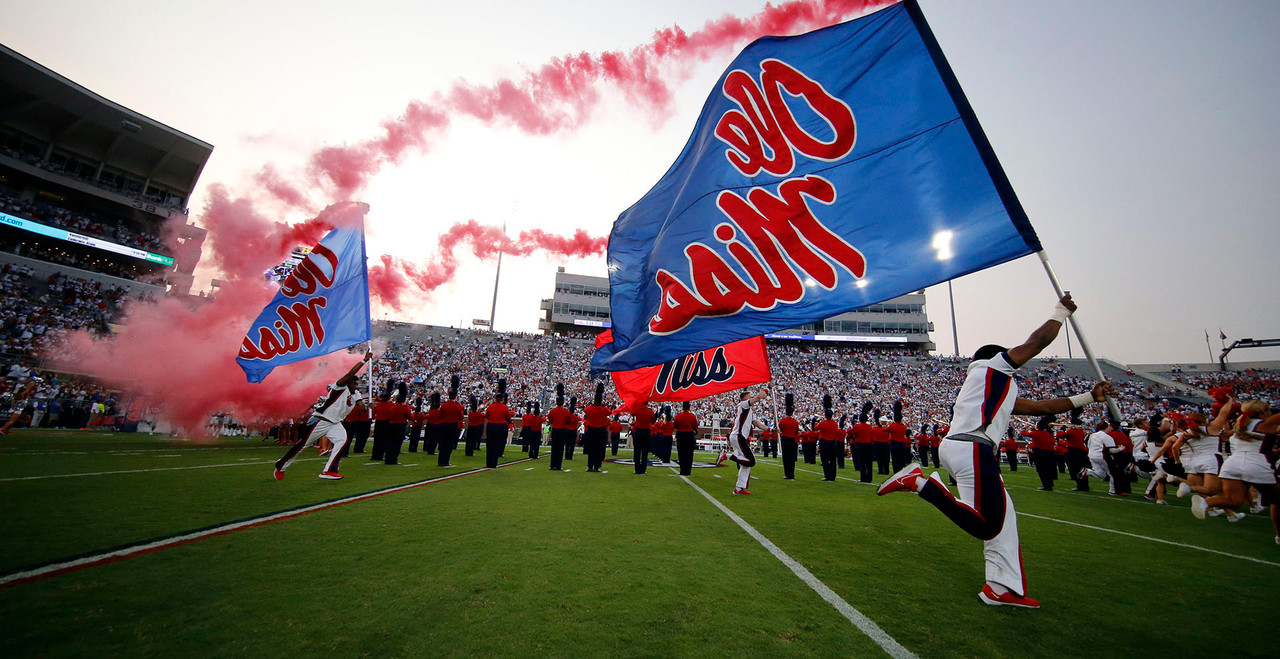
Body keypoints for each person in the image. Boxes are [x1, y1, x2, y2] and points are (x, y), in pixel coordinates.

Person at [877, 294, 1115, 608]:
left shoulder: (987, 385)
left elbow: (1040, 407)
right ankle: (920, 483)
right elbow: (1037, 342)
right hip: (973, 447)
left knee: (1005, 521)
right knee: (989, 524)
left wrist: (1089, 397)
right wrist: (1061, 312)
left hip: (965, 447)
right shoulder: (993, 368)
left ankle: (1002, 588)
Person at [274, 351, 372, 480]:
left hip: (335, 423)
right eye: (354, 383)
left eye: (356, 384)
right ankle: (281, 465)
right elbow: (349, 375)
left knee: (342, 441)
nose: (356, 386)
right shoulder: (339, 387)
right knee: (303, 445)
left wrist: (367, 406)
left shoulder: (355, 394)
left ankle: (328, 470)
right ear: (348, 382)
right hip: (321, 420)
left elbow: (362, 408)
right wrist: (364, 361)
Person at [725, 387, 768, 494]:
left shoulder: (749, 411)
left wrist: (771, 429)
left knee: (746, 464)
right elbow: (758, 397)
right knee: (751, 461)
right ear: (745, 398)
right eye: (749, 396)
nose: (751, 397)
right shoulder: (743, 405)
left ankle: (739, 488)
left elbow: (759, 424)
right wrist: (769, 388)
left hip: (739, 436)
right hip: (738, 436)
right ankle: (727, 456)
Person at [1023, 415, 1058, 491]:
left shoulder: (1036, 433)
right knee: (1048, 469)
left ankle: (1046, 485)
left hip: (1039, 452)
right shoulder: (1048, 434)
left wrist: (1025, 427)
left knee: (1041, 470)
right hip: (1049, 453)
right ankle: (1049, 484)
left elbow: (1023, 433)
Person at [484, 379, 513, 469]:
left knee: (490, 444)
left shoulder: (490, 406)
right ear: (502, 399)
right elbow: (508, 418)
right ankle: (493, 463)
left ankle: (488, 463)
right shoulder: (505, 407)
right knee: (497, 444)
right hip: (500, 426)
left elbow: (487, 416)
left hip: (491, 425)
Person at [583, 383, 611, 472]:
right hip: (601, 431)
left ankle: (590, 466)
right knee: (599, 449)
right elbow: (609, 412)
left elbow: (585, 410)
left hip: (591, 430)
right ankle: (597, 466)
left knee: (591, 449)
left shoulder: (589, 409)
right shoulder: (604, 409)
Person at [437, 376, 465, 467]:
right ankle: (446, 461)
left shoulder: (443, 405)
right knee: (449, 444)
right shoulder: (458, 406)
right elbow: (461, 417)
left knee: (443, 443)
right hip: (452, 425)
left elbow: (440, 415)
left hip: (443, 425)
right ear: (455, 396)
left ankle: (440, 461)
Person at [816, 396, 842, 482]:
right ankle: (833, 476)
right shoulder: (835, 424)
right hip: (832, 443)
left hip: (824, 442)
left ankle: (827, 475)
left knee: (825, 460)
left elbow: (815, 427)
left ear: (826, 415)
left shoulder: (822, 423)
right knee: (833, 460)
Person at [547, 385, 571, 471]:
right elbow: (568, 421)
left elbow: (550, 419)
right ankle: (558, 465)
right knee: (560, 448)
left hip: (555, 430)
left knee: (554, 448)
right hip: (562, 430)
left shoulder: (552, 411)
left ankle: (552, 465)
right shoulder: (566, 411)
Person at [674, 400, 699, 476]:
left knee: (681, 453)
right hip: (689, 435)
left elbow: (675, 425)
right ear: (689, 407)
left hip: (681, 435)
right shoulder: (693, 416)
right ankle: (688, 470)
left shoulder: (678, 416)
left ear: (683, 407)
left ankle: (682, 470)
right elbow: (695, 427)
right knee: (689, 454)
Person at [852, 403, 875, 483]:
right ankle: (869, 478)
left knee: (862, 462)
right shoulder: (869, 427)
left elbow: (850, 433)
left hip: (860, 445)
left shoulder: (857, 426)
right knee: (869, 463)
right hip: (868, 445)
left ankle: (863, 478)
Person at [778, 394, 800, 480]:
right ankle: (791, 474)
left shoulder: (782, 421)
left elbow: (781, 429)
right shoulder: (795, 422)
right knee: (791, 458)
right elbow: (796, 432)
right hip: (792, 440)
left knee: (786, 458)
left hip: (785, 439)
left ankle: (787, 474)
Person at [630, 400, 654, 474]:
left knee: (637, 451)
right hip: (646, 432)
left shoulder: (638, 410)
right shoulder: (650, 411)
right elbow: (653, 418)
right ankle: (643, 470)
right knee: (645, 452)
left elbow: (632, 413)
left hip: (639, 432)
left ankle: (637, 469)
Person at [888, 401, 912, 473]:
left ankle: (896, 472)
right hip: (902, 444)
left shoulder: (892, 425)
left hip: (894, 444)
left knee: (895, 460)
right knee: (901, 460)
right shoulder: (904, 426)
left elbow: (886, 430)